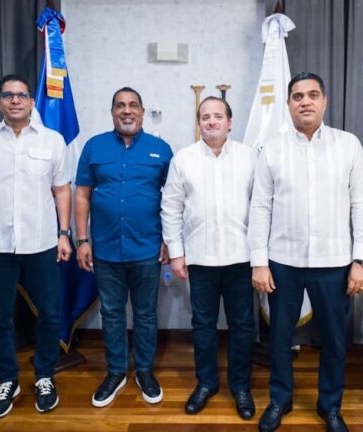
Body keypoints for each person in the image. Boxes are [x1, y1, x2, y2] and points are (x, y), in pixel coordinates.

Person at [249, 72, 363, 432]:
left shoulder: (348, 144)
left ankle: (331, 407)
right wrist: (259, 261)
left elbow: (362, 203)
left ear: (324, 101)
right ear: (288, 103)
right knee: (278, 338)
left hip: (335, 263)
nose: (305, 101)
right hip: (281, 263)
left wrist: (361, 261)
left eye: (313, 95)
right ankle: (279, 400)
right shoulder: (271, 148)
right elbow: (260, 206)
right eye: (297, 96)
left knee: (335, 340)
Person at [0, 74, 73, 419]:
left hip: (41, 244)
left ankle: (44, 375)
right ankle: (7, 379)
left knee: (50, 314)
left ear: (31, 101)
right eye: (8, 95)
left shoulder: (53, 141)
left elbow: (62, 190)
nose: (15, 100)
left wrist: (64, 233)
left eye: (22, 95)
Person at [75, 87, 173, 408]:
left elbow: (173, 200)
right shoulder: (94, 147)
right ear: (112, 112)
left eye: (133, 105)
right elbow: (82, 195)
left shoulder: (161, 150)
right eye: (120, 105)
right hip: (104, 250)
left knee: (145, 314)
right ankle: (116, 371)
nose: (126, 111)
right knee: (112, 313)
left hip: (148, 250)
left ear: (142, 112)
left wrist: (170, 241)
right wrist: (82, 239)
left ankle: (144, 370)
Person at [161, 96, 257, 419]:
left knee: (242, 325)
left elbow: (261, 208)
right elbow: (170, 208)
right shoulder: (183, 159)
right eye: (205, 117)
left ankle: (241, 386)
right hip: (199, 260)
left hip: (241, 259)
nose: (212, 121)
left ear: (230, 122)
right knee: (202, 325)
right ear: (199, 123)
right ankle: (206, 383)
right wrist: (176, 254)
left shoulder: (250, 157)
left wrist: (260, 257)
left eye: (218, 116)